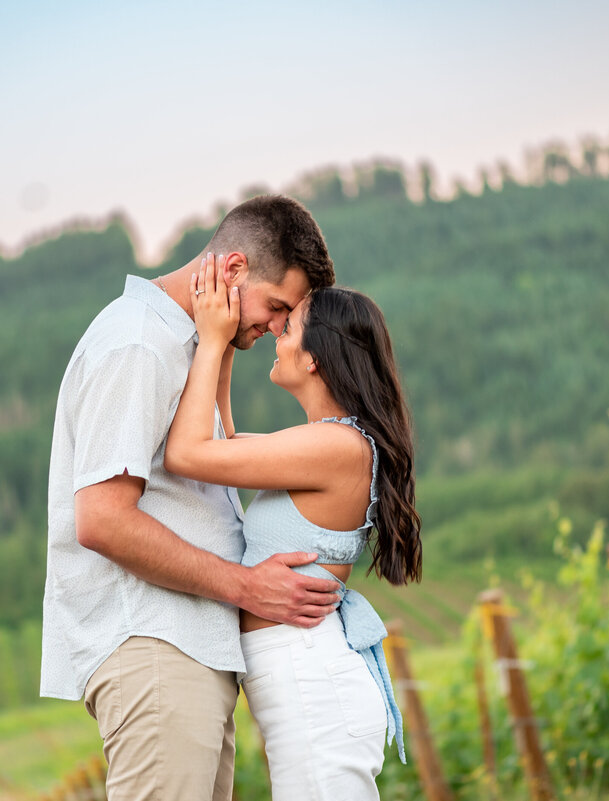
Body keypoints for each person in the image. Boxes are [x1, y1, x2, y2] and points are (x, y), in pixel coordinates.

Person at [40, 195, 340, 801]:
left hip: (184, 651)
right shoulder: (140, 345)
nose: (279, 327)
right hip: (156, 650)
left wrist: (220, 347)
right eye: (277, 306)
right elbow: (100, 519)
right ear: (232, 271)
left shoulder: (187, 346)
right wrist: (245, 586)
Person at [164, 256, 423, 800]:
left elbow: (188, 453)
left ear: (315, 359)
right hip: (307, 688)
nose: (277, 333)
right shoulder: (329, 441)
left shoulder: (336, 447)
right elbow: (223, 445)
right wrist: (231, 342)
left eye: (290, 327)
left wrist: (211, 343)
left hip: (314, 692)